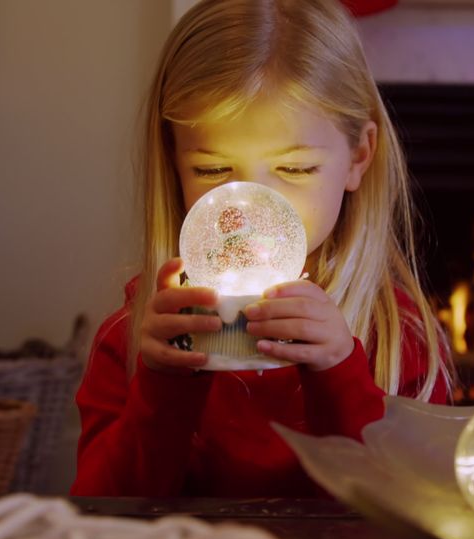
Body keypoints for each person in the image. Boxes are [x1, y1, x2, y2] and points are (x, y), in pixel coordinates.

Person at [71, 0, 453, 498]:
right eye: (212, 170)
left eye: (294, 170)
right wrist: (164, 381)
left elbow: (417, 511)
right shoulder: (136, 337)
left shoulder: (400, 339)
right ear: (174, 163)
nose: (249, 209)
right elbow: (101, 514)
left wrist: (338, 372)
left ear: (358, 156)